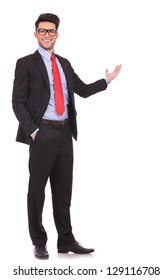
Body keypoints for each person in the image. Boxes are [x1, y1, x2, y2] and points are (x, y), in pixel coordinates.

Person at [12, 13, 122, 259]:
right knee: (37, 190)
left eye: (51, 31)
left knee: (63, 191)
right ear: (36, 34)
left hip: (65, 133)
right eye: (42, 31)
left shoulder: (64, 63)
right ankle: (39, 241)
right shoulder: (25, 63)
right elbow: (17, 102)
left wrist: (106, 80)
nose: (47, 35)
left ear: (57, 34)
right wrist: (34, 132)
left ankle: (66, 241)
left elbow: (81, 90)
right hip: (43, 133)